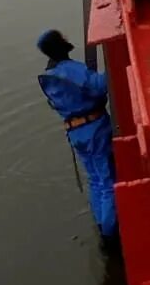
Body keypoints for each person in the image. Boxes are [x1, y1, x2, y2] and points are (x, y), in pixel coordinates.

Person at [36, 29, 117, 248]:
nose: (67, 40)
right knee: (107, 180)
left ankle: (102, 226)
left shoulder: (49, 77)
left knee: (95, 180)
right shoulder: (70, 70)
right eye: (63, 39)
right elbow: (100, 86)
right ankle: (111, 233)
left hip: (76, 133)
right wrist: (116, 67)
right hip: (95, 129)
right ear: (59, 45)